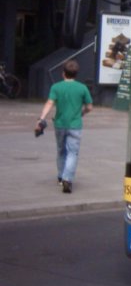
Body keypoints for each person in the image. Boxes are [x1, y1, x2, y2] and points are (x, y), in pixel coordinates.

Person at [37, 59, 93, 193]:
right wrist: (82, 113)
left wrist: (41, 118)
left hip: (60, 124)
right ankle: (68, 179)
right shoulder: (82, 88)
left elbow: (49, 103)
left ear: (63, 73)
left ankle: (61, 177)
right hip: (75, 125)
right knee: (72, 152)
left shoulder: (56, 87)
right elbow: (89, 107)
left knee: (61, 151)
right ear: (76, 73)